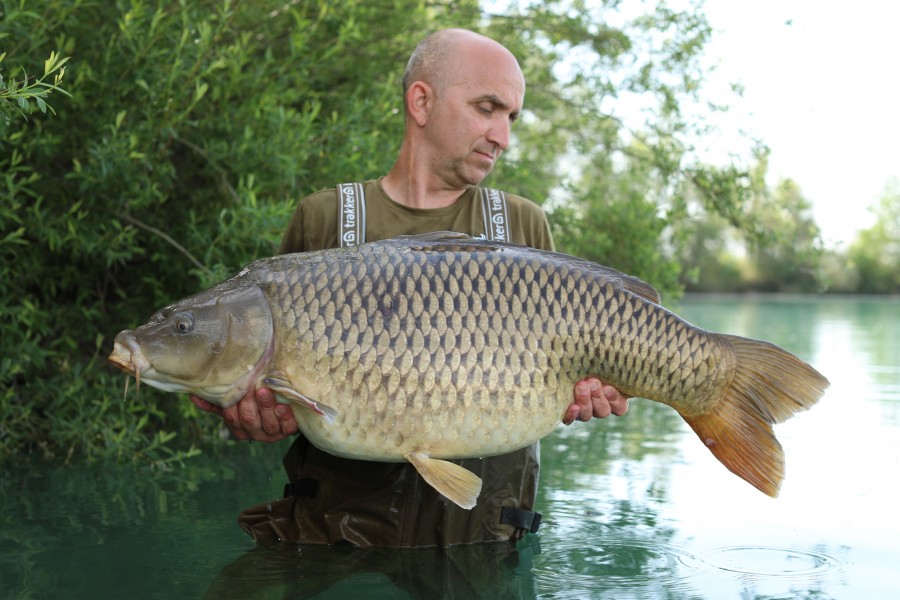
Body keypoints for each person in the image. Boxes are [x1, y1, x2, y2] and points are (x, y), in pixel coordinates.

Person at [192, 28, 629, 547]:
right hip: (331, 537)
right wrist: (251, 416)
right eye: (487, 108)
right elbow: (268, 389)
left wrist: (590, 396)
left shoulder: (523, 225)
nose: (503, 137)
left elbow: (565, 385)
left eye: (511, 118)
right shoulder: (325, 218)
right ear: (421, 102)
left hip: (481, 543)